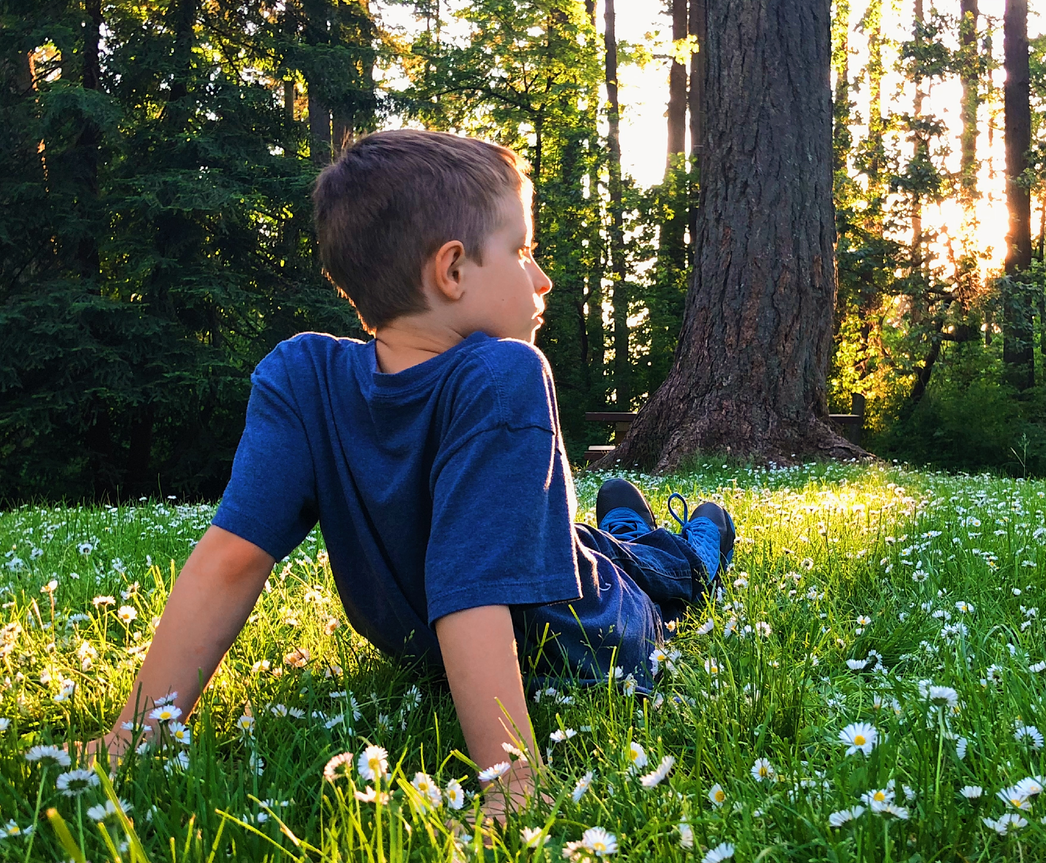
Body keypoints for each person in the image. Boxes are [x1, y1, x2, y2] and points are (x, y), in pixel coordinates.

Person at [88, 129, 735, 819]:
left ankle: (669, 542)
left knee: (624, 563)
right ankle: (673, 548)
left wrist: (137, 734)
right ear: (452, 271)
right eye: (521, 251)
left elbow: (228, 560)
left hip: (557, 613)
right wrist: (512, 779)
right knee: (625, 566)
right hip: (579, 636)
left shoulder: (301, 376)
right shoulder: (501, 371)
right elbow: (462, 592)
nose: (542, 278)